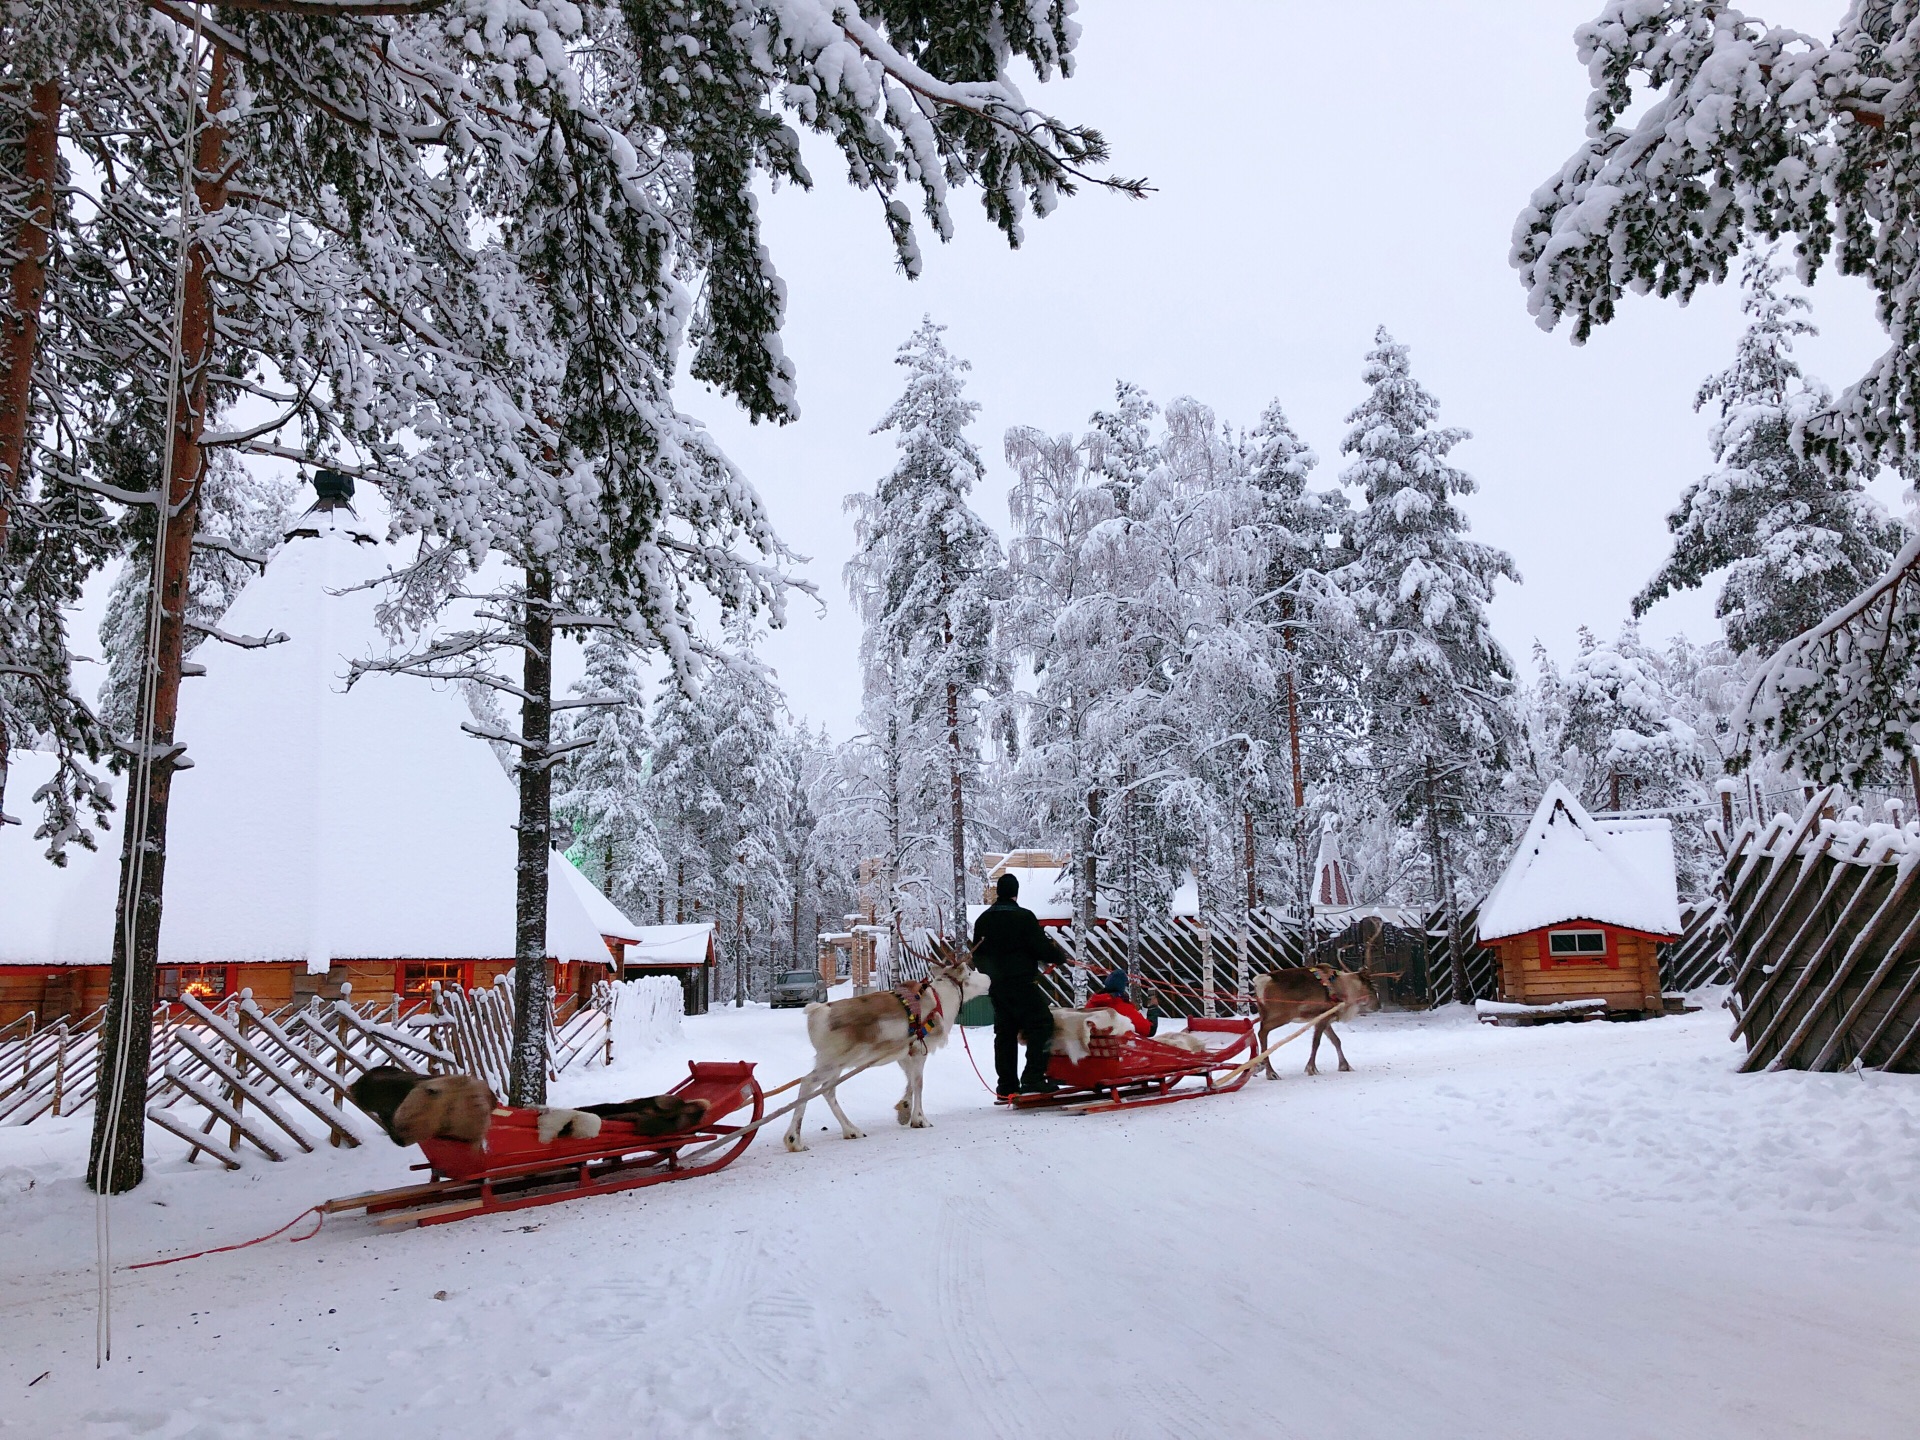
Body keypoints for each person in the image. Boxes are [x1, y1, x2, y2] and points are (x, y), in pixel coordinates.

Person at [970, 872, 1061, 1098]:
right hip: (1023, 985)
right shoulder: (1024, 917)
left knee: (1005, 1033)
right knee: (1042, 1024)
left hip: (998, 987)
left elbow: (977, 956)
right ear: (1016, 893)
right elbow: (1041, 948)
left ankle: (1007, 1086)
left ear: (998, 892)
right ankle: (1033, 1078)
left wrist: (994, 973)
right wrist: (1059, 957)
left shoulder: (983, 920)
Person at [1086, 965, 1151, 1037]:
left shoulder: (1092, 1003)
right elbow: (1147, 1030)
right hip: (1116, 1046)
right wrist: (1153, 1008)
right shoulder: (1121, 1006)